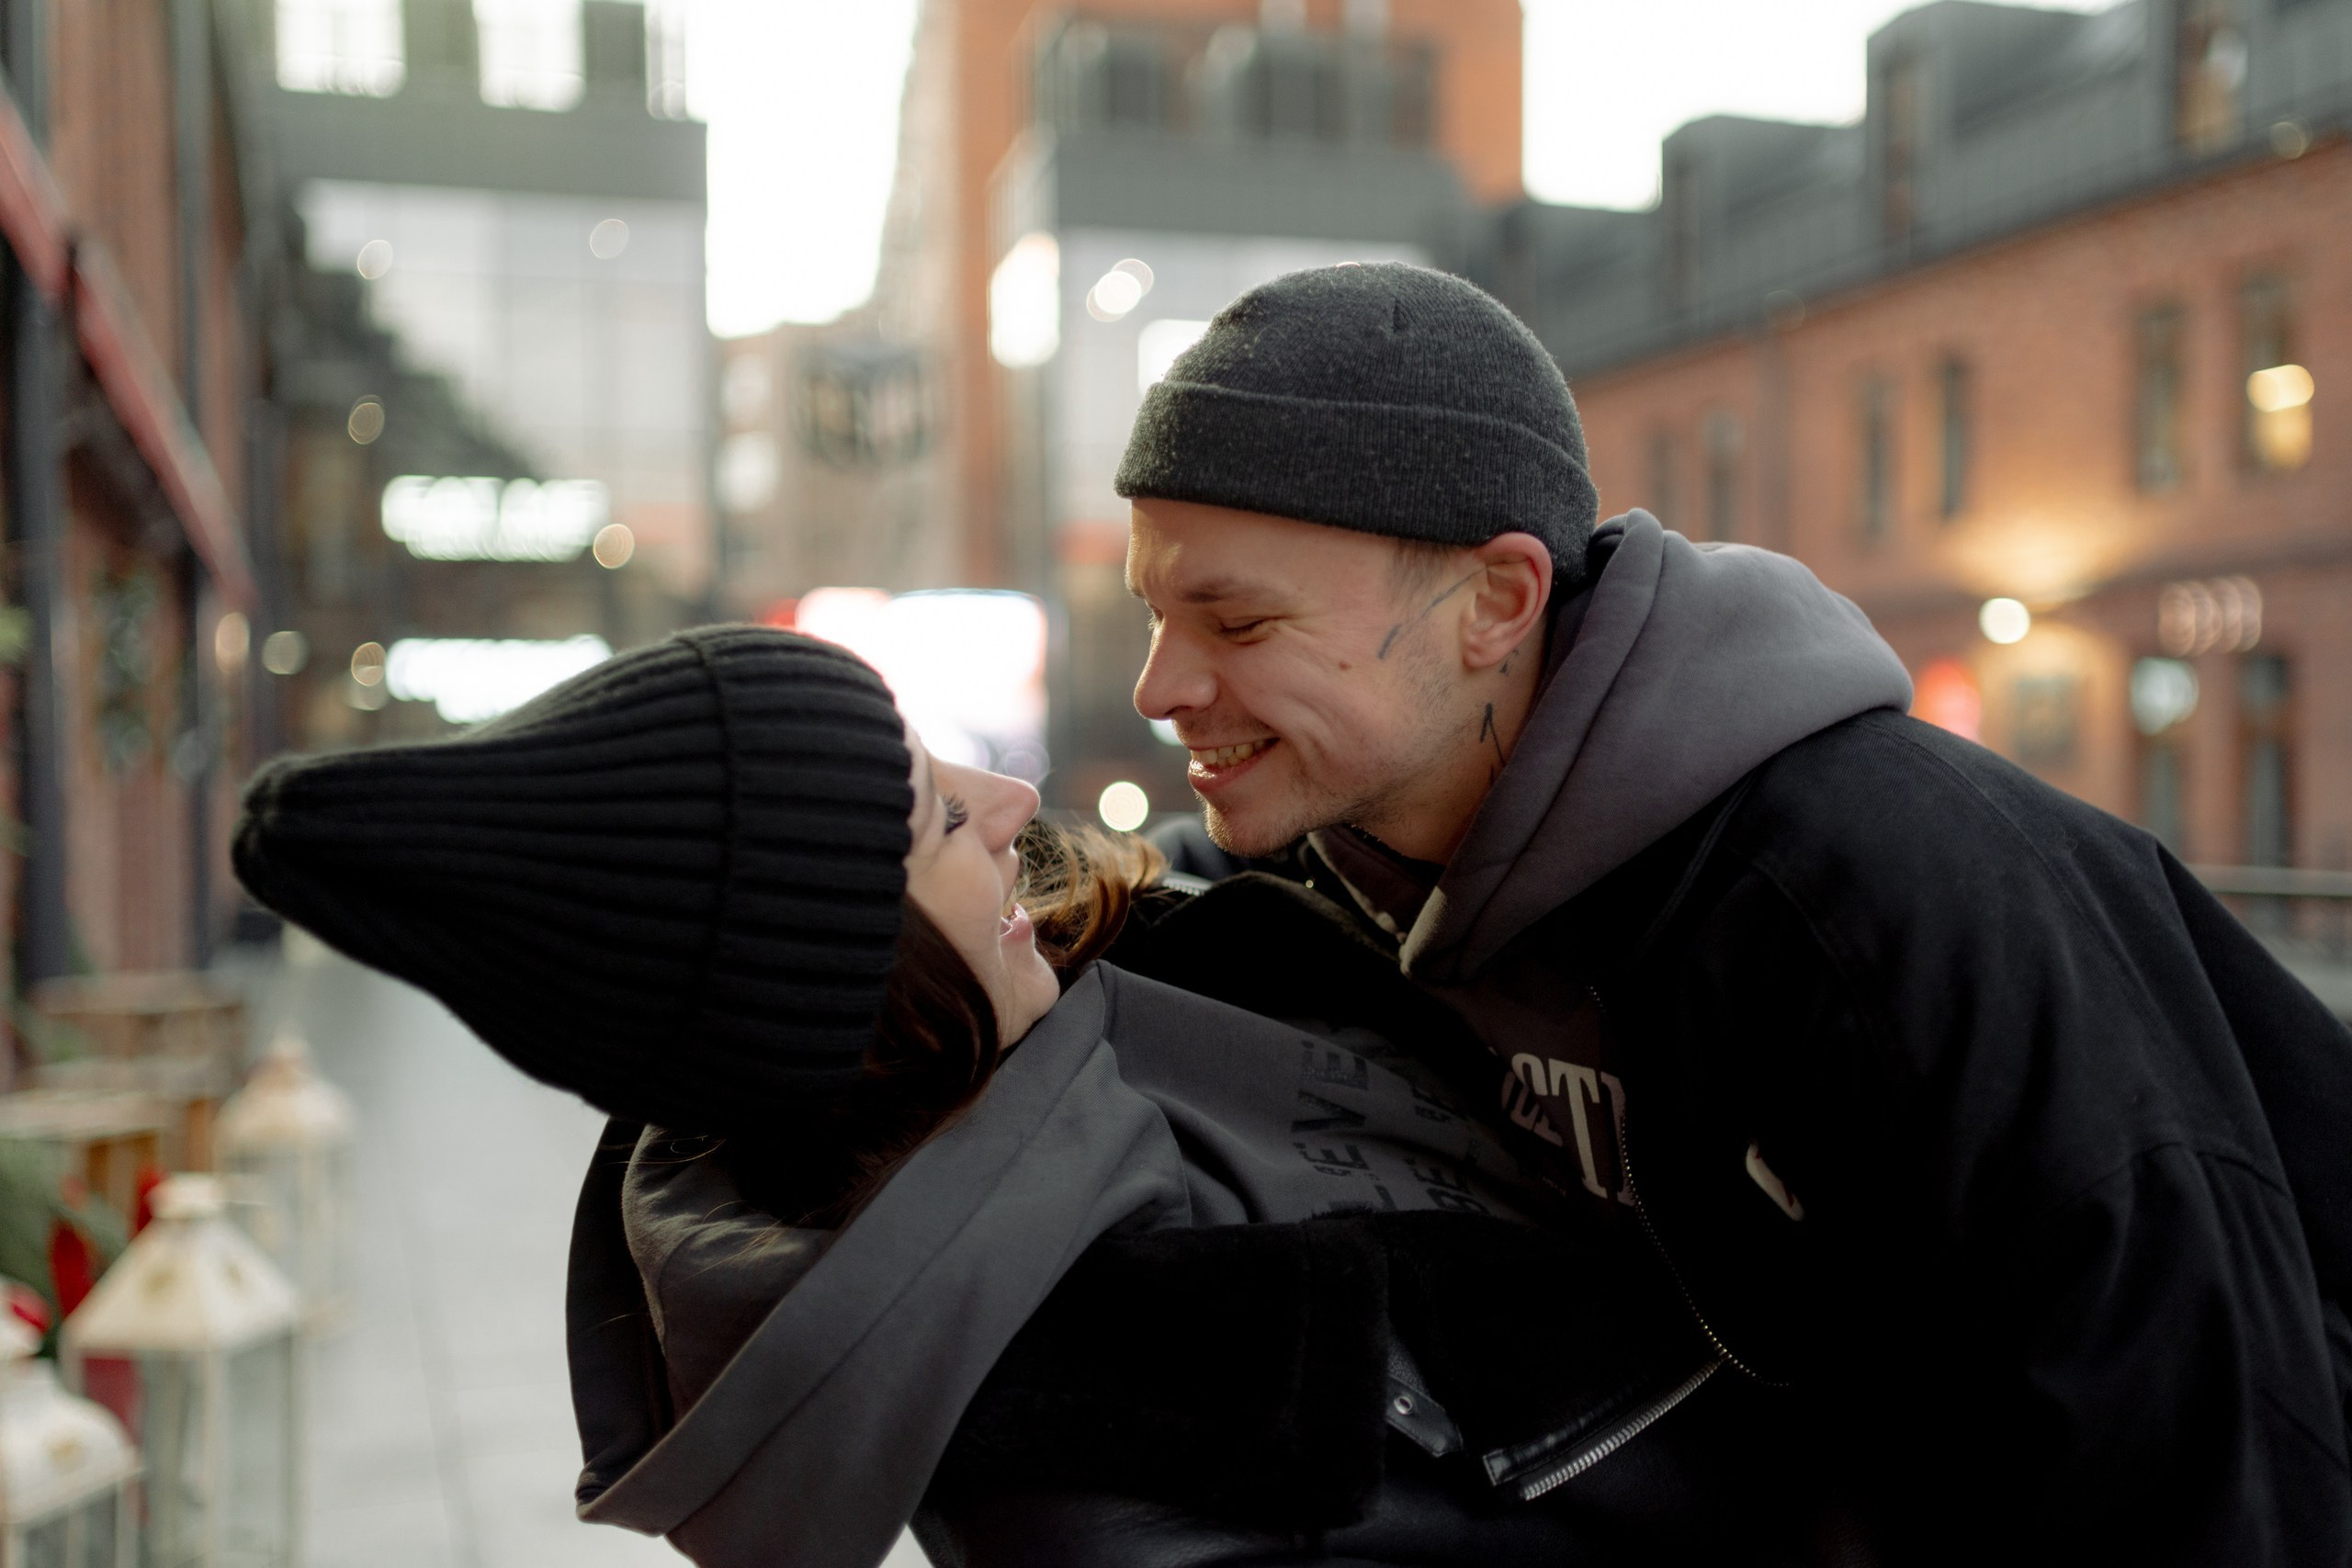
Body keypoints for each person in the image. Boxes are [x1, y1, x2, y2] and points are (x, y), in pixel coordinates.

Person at [1113, 260, 2352, 1562]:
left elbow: (2217, 1468)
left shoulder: (1891, 913)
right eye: (1154, 613)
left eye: (1238, 624)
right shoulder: (1347, 865)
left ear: (1497, 603)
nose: (1157, 687)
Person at [231, 626, 1841, 1568]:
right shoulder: (1100, 1450)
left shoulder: (1087, 986)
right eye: (938, 822)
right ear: (858, 989)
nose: (1012, 801)